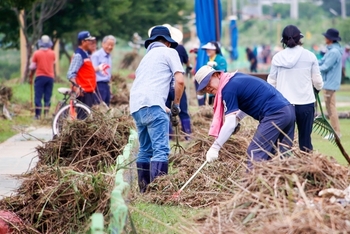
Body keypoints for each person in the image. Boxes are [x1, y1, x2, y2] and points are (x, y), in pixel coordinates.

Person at [194, 65, 295, 168]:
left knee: (255, 154)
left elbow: (230, 122)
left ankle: (252, 182)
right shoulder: (234, 79)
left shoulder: (227, 89)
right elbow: (248, 101)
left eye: (208, 83)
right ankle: (285, 182)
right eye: (204, 88)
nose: (207, 88)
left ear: (216, 75)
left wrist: (215, 148)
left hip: (275, 114)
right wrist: (238, 118)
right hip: (288, 110)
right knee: (281, 155)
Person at [129, 26, 185, 193]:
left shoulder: (145, 59)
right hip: (152, 105)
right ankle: (159, 192)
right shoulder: (169, 53)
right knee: (161, 150)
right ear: (167, 42)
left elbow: (148, 88)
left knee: (145, 150)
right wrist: (176, 104)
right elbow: (180, 81)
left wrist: (166, 109)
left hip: (136, 106)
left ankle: (144, 191)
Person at [267, 25, 323, 152]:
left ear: (284, 41)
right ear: (300, 39)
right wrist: (317, 89)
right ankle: (308, 170)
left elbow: (271, 83)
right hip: (305, 104)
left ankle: (283, 168)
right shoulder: (310, 56)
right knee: (305, 141)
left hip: (284, 105)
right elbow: (318, 82)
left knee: (284, 142)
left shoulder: (277, 57)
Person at [318, 28, 343, 139]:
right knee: (330, 108)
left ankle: (336, 133)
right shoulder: (332, 50)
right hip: (329, 82)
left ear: (330, 39)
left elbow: (325, 67)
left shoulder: (334, 52)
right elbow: (322, 61)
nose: (325, 38)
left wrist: (313, 68)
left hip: (330, 83)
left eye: (326, 37)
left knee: (331, 109)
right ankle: (335, 132)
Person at [67, 31, 97, 108]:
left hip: (89, 91)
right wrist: (76, 87)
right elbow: (71, 74)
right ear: (83, 42)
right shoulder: (79, 55)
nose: (91, 42)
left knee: (87, 116)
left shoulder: (85, 54)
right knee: (83, 117)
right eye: (89, 40)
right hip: (83, 92)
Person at [29, 35, 56, 119]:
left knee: (38, 96)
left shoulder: (37, 53)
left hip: (40, 77)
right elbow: (54, 65)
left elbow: (33, 67)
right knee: (48, 96)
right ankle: (46, 115)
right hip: (50, 78)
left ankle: (37, 115)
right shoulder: (52, 53)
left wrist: (30, 77)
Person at [199, 41, 227, 105]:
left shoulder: (221, 59)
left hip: (219, 87)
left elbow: (224, 71)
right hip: (209, 88)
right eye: (207, 49)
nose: (207, 51)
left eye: (209, 49)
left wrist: (216, 65)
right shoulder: (208, 60)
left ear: (215, 50)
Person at [91, 35, 116, 106]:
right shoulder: (97, 55)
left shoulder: (109, 56)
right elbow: (92, 70)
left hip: (106, 84)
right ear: (103, 44)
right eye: (108, 45)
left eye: (112, 45)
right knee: (99, 107)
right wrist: (99, 67)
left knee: (107, 107)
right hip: (98, 85)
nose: (110, 47)